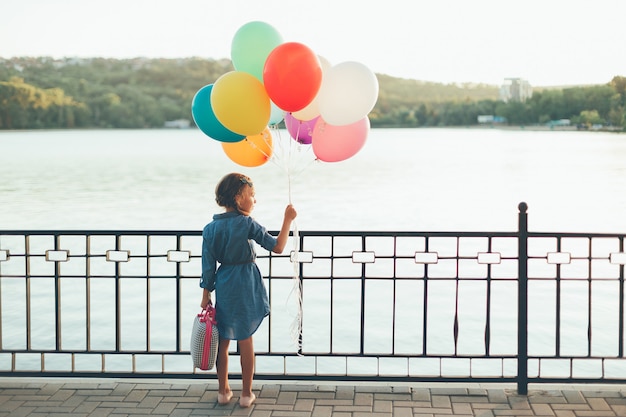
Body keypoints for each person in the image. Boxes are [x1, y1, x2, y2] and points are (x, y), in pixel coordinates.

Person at [200, 173, 297, 408]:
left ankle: (223, 391)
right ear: (237, 198)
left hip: (224, 282)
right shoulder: (246, 224)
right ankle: (246, 394)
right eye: (251, 196)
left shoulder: (210, 228)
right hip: (245, 281)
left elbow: (208, 266)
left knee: (222, 339)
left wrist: (206, 294)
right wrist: (287, 219)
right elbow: (278, 246)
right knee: (245, 338)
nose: (255, 200)